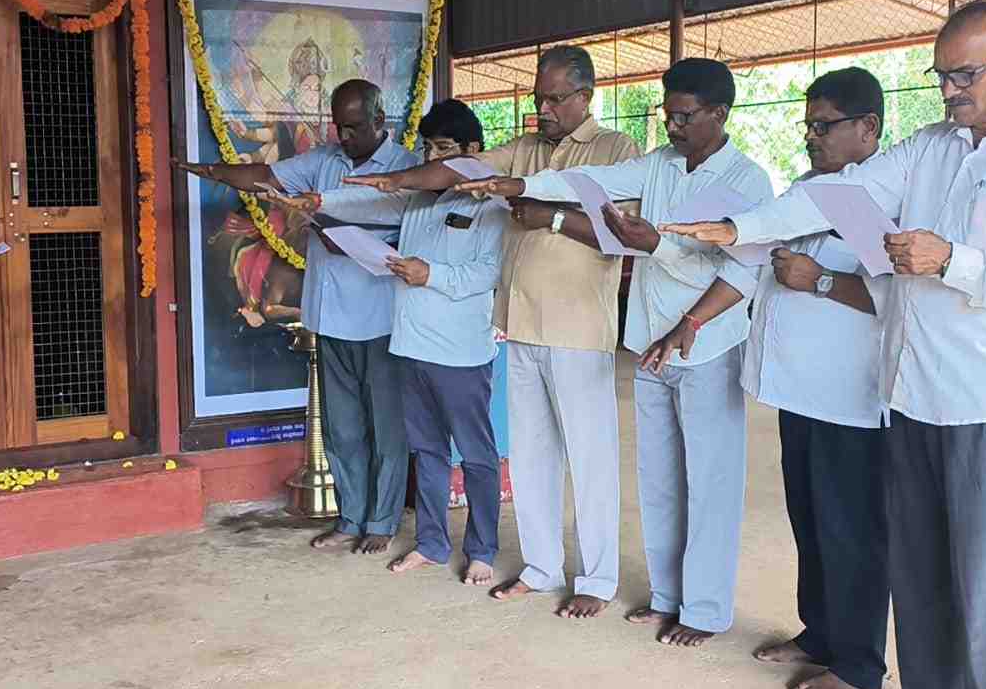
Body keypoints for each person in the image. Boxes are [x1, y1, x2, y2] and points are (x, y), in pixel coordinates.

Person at [661, 0, 986, 689]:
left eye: (964, 75)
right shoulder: (930, 146)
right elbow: (838, 192)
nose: (949, 91)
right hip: (910, 384)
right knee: (919, 563)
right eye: (941, 76)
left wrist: (953, 260)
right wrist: (742, 229)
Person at [455, 57, 772, 646]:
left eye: (684, 116)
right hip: (649, 341)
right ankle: (667, 597)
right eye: (668, 114)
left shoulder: (747, 181)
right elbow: (586, 183)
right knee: (658, 481)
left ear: (719, 113)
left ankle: (704, 611)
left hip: (705, 345)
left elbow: (741, 271)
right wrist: (520, 185)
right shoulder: (659, 164)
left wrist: (663, 264)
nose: (672, 126)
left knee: (710, 482)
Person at [348, 46, 641, 619]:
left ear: (585, 96)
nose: (543, 109)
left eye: (554, 99)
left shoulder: (616, 150)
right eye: (538, 99)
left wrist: (552, 216)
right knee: (531, 457)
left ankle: (598, 578)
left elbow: (620, 235)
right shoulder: (524, 148)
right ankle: (541, 567)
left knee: (590, 459)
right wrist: (397, 179)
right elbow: (461, 169)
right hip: (520, 322)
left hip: (579, 327)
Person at [674, 68, 890, 689]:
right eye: (807, 125)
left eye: (824, 126)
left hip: (850, 398)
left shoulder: (886, 202)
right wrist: (692, 320)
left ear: (868, 128)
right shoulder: (806, 192)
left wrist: (820, 280)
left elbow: (897, 296)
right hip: (799, 391)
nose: (810, 137)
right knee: (811, 519)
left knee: (851, 529)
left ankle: (857, 664)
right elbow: (746, 265)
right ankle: (819, 633)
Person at [174, 79, 418, 555]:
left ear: (380, 121)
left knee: (386, 428)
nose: (344, 136)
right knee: (341, 427)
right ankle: (350, 517)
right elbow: (266, 175)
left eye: (354, 127)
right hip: (329, 317)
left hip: (383, 318)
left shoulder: (406, 167)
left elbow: (411, 235)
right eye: (339, 126)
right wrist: (209, 171)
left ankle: (382, 520)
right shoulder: (324, 160)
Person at [268, 133, 508, 584]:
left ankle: (482, 551)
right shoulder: (415, 201)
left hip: (460, 352)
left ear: (473, 151)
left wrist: (431, 274)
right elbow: (369, 205)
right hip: (411, 347)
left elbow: (489, 272)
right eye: (428, 150)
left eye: (445, 149)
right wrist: (320, 200)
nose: (433, 159)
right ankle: (432, 544)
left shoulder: (491, 207)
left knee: (476, 455)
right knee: (428, 453)